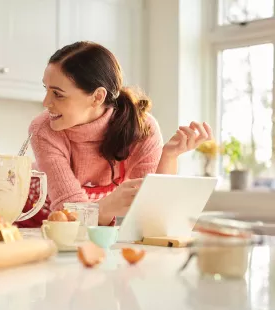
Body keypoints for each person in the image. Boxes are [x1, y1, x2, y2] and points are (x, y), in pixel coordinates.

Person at [18, 41, 212, 228]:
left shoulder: (141, 128)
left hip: (86, 227)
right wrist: (107, 207)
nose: (46, 102)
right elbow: (66, 213)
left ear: (97, 97)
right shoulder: (44, 129)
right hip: (27, 221)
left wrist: (168, 156)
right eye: (47, 89)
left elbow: (149, 214)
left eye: (58, 94)